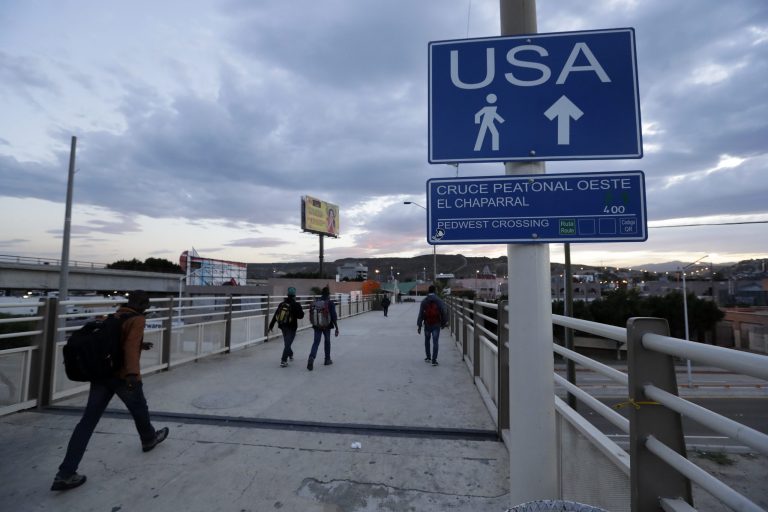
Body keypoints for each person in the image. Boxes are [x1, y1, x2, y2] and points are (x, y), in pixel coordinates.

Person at [51, 290, 169, 491]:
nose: (147, 307)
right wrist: (133, 375)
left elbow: (118, 343)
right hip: (122, 376)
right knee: (139, 408)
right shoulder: (138, 319)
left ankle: (66, 473)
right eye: (146, 304)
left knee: (87, 422)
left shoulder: (116, 315)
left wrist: (142, 345)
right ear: (143, 304)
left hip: (101, 375)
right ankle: (149, 439)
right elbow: (130, 347)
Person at [268, 287, 305, 367]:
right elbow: (301, 316)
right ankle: (283, 360)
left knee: (287, 343)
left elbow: (276, 315)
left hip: (283, 326)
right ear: (294, 295)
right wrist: (300, 309)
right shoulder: (296, 304)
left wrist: (271, 325)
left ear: (287, 295)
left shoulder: (282, 304)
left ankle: (290, 354)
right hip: (292, 327)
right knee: (288, 344)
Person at [307, 286, 339, 371]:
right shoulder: (330, 303)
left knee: (316, 342)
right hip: (326, 326)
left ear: (322, 293)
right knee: (327, 342)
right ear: (328, 294)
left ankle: (311, 357)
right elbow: (333, 316)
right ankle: (327, 359)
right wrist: (337, 328)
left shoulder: (316, 301)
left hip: (317, 325)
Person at [416, 285, 448, 367]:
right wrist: (444, 323)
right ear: (435, 291)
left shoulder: (424, 301)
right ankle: (434, 360)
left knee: (427, 340)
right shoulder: (439, 300)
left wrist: (419, 325)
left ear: (428, 291)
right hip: (436, 324)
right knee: (435, 342)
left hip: (427, 323)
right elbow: (443, 312)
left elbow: (421, 314)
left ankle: (428, 357)